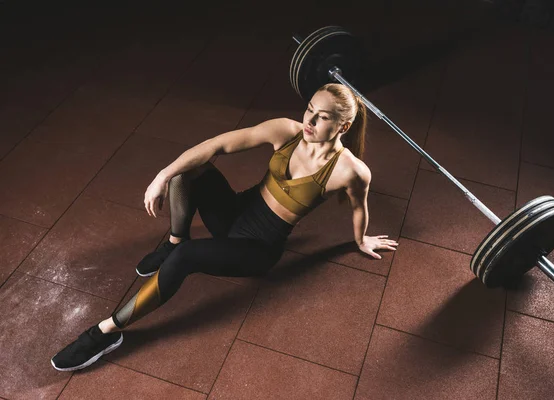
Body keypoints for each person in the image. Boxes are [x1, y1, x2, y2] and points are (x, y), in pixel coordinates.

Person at [50, 83, 399, 371]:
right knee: (189, 173)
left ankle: (107, 331)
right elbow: (216, 145)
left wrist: (360, 239)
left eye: (322, 118)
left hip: (257, 249)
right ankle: (173, 239)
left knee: (188, 258)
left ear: (343, 127)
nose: (309, 120)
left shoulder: (350, 171)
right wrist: (163, 174)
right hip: (235, 214)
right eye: (309, 109)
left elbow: (358, 207)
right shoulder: (286, 131)